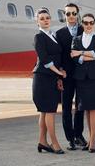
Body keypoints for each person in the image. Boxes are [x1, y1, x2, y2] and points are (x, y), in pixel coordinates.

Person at [32, 8, 66, 154]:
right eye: (42, 18)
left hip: (51, 78)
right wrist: (59, 72)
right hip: (43, 78)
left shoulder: (53, 36)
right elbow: (45, 59)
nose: (45, 20)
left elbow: (57, 58)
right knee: (49, 111)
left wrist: (58, 76)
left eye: (47, 18)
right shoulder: (38, 37)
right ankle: (54, 143)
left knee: (45, 113)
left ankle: (42, 141)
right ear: (37, 22)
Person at [71, 13, 95, 153]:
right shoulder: (76, 39)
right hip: (81, 79)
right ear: (82, 24)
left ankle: (91, 142)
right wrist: (89, 54)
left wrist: (81, 53)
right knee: (86, 108)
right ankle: (91, 139)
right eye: (86, 23)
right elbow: (74, 57)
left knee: (94, 109)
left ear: (94, 24)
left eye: (91, 22)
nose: (89, 25)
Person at [55, 3, 86, 150]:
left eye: (74, 13)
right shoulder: (59, 33)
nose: (71, 16)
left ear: (77, 14)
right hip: (66, 75)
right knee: (66, 107)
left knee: (80, 107)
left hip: (81, 75)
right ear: (64, 15)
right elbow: (58, 56)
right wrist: (59, 75)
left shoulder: (83, 30)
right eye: (68, 14)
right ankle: (70, 138)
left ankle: (79, 135)